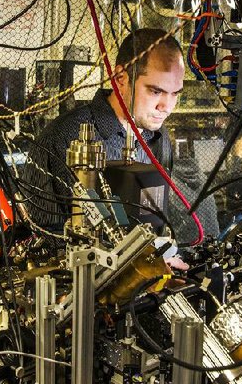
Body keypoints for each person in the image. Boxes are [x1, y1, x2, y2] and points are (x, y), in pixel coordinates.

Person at [21, 28, 184, 235]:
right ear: (120, 79)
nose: (167, 106)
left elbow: (157, 219)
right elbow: (43, 235)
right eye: (155, 91)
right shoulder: (61, 138)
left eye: (175, 94)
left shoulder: (159, 138)